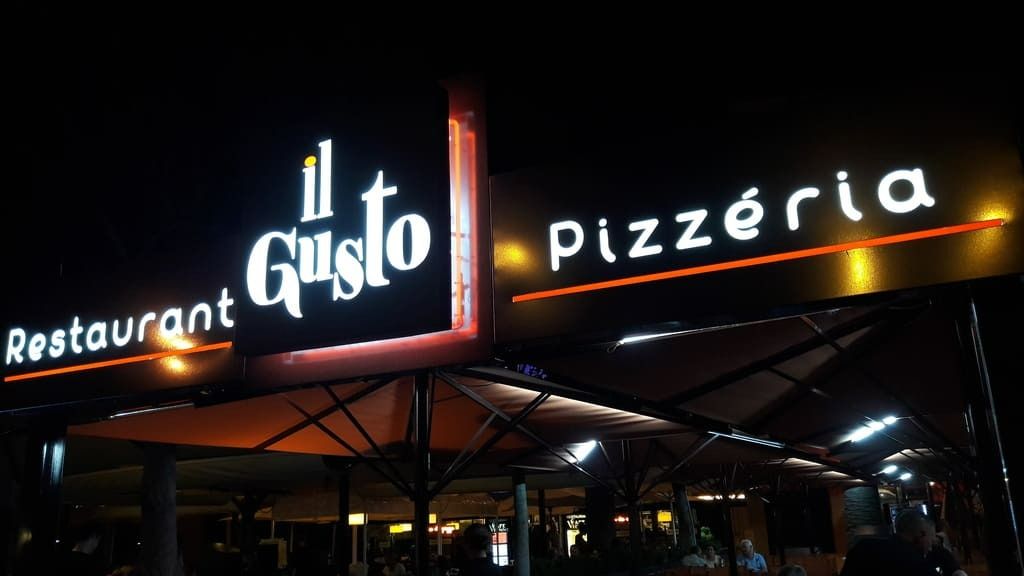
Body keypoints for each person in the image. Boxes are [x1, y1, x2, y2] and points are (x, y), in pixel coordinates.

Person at [840, 509, 937, 576]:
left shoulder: (863, 547)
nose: (930, 547)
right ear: (921, 534)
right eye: (931, 539)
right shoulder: (918, 564)